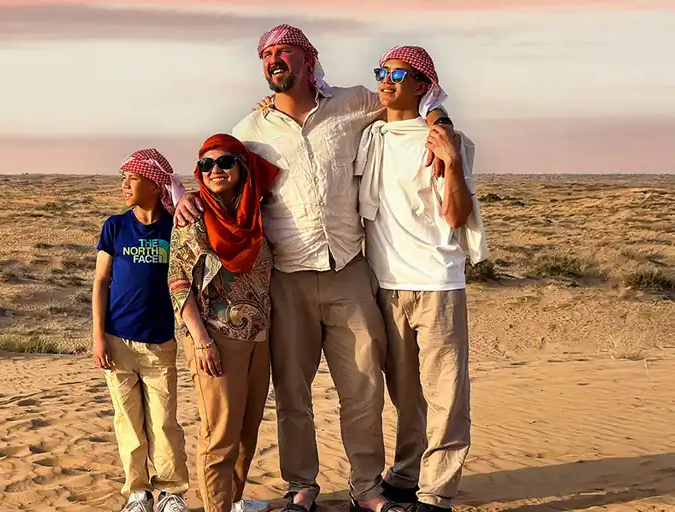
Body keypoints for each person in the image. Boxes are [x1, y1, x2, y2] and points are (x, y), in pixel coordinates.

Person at [173, 24, 456, 512]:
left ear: (308, 60)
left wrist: (442, 120)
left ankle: (366, 488)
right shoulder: (251, 130)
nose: (273, 60)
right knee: (293, 394)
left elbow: (410, 95)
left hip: (349, 272)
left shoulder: (352, 103)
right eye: (266, 55)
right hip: (285, 279)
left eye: (284, 52)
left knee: (364, 388)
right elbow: (217, 169)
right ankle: (300, 486)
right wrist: (189, 198)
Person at [355, 46, 487, 512]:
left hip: (438, 283)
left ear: (422, 84)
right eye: (381, 71)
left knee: (446, 394)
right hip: (385, 284)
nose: (385, 80)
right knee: (404, 393)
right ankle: (408, 472)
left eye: (397, 73)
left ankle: (437, 493)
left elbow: (456, 213)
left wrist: (450, 159)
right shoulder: (370, 136)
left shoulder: (448, 141)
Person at [168, 134, 279, 512]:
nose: (215, 170)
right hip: (215, 338)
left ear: (242, 167)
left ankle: (230, 502)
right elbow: (178, 279)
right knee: (220, 433)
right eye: (206, 164)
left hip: (259, 337)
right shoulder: (194, 217)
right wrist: (201, 341)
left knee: (248, 430)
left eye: (225, 162)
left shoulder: (256, 214)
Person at [92, 148, 192, 512]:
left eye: (131, 179)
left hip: (160, 343)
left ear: (153, 183)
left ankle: (171, 492)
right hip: (117, 342)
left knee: (164, 422)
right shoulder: (115, 227)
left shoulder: (173, 226)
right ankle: (137, 493)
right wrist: (98, 336)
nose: (124, 185)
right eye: (124, 179)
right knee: (128, 423)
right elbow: (101, 281)